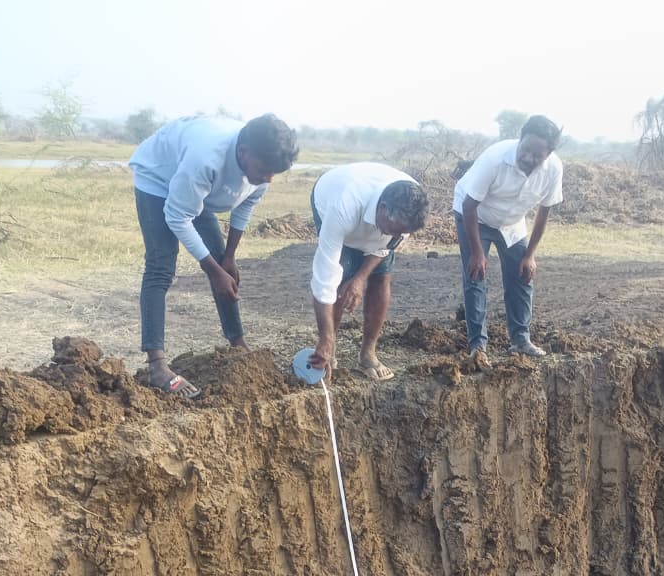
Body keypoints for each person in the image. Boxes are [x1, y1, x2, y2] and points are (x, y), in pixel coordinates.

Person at [129, 113, 298, 399]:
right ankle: (156, 366)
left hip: (197, 189)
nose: (268, 178)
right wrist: (213, 271)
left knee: (222, 265)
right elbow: (178, 217)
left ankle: (237, 342)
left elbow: (245, 206)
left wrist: (228, 258)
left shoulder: (263, 162)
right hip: (158, 178)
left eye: (274, 173)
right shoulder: (206, 158)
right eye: (264, 170)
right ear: (243, 152)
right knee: (161, 266)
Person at [454, 115, 564, 363]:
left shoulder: (554, 169)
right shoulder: (495, 159)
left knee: (523, 274)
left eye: (537, 155)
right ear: (520, 138)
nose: (528, 158)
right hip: (475, 216)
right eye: (525, 150)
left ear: (549, 154)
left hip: (512, 222)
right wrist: (477, 253)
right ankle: (478, 347)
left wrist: (530, 255)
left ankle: (520, 340)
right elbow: (469, 206)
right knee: (475, 274)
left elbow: (543, 214)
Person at [307, 163, 429, 381]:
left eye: (402, 232)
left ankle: (368, 353)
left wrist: (360, 278)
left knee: (382, 278)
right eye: (394, 229)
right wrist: (325, 338)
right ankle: (329, 348)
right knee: (340, 277)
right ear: (382, 208)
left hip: (371, 219)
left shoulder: (411, 212)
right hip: (330, 201)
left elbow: (387, 246)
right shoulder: (343, 206)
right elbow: (324, 277)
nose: (396, 235)